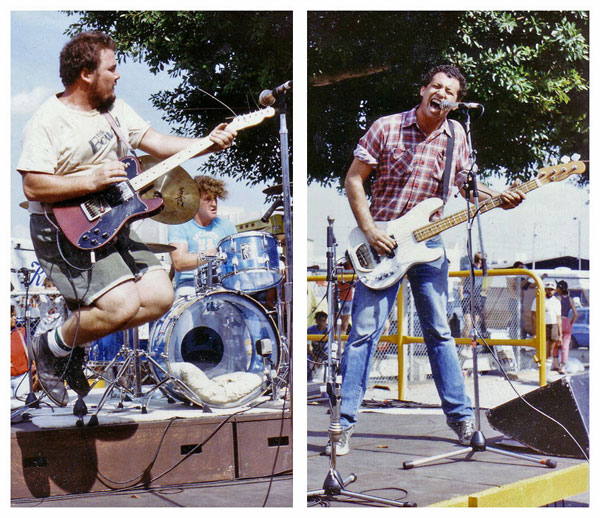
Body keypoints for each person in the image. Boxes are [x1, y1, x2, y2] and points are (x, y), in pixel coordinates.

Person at [17, 31, 236, 407]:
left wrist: (205, 143)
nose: (118, 76)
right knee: (119, 306)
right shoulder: (48, 121)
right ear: (86, 73)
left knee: (158, 296)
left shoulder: (114, 110)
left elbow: (156, 142)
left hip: (113, 219)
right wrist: (90, 178)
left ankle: (69, 343)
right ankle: (49, 346)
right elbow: (33, 186)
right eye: (111, 68)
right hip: (64, 230)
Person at [333, 64, 525, 455]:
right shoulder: (387, 127)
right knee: (364, 334)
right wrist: (370, 231)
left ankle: (462, 419)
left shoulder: (457, 135)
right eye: (435, 87)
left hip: (428, 245)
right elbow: (354, 178)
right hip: (382, 242)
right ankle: (344, 425)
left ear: (455, 103)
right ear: (423, 91)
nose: (440, 94)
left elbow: (466, 185)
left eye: (449, 91)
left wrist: (497, 198)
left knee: (439, 331)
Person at [168, 176, 237, 299]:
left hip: (222, 283)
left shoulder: (227, 225)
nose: (214, 204)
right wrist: (208, 255)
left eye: (215, 199)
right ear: (195, 201)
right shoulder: (180, 225)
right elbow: (179, 262)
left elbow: (236, 259)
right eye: (208, 199)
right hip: (189, 284)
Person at [531, 280, 562, 371]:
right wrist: (534, 332)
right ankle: (541, 373)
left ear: (555, 290)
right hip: (542, 327)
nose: (549, 291)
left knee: (550, 352)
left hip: (553, 326)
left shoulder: (556, 302)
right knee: (543, 350)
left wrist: (560, 334)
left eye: (551, 289)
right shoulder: (538, 299)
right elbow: (533, 316)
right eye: (548, 289)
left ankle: (546, 373)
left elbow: (558, 318)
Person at [555, 280, 578, 374]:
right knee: (565, 346)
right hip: (567, 321)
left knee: (555, 344)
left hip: (558, 321)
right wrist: (570, 323)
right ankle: (563, 367)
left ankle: (555, 365)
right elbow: (575, 315)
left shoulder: (557, 299)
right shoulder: (570, 299)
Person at [307, 311, 329, 381]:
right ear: (316, 320)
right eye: (320, 320)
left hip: (325, 356)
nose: (321, 323)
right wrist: (315, 358)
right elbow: (307, 348)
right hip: (314, 355)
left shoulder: (329, 330)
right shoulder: (310, 330)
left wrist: (321, 360)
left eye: (324, 320)